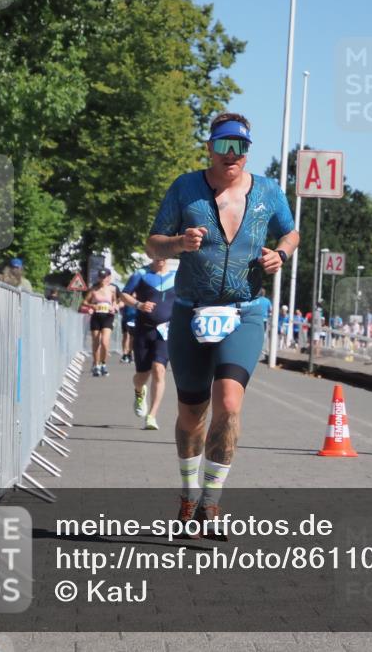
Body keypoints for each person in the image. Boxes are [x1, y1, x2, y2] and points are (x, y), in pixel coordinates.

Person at [146, 112, 299, 537]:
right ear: (210, 146)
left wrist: (280, 255)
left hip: (245, 310)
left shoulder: (268, 191)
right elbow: (153, 240)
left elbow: (291, 233)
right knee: (191, 412)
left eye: (240, 147)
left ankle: (211, 504)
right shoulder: (185, 188)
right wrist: (177, 243)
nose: (232, 155)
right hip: (190, 311)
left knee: (229, 404)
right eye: (224, 145)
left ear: (248, 151)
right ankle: (187, 495)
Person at [120, 258, 177, 430]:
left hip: (166, 331)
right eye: (157, 255)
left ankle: (152, 416)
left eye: (164, 255)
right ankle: (139, 391)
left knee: (159, 370)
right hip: (144, 330)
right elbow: (124, 294)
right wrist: (139, 304)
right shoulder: (141, 274)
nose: (160, 259)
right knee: (142, 376)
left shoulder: (177, 276)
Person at [83, 268, 118, 377]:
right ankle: (96, 364)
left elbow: (115, 302)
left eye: (105, 277)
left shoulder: (112, 289)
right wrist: (93, 305)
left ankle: (103, 363)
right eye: (101, 277)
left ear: (108, 277)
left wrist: (114, 307)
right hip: (96, 316)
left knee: (104, 342)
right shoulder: (94, 289)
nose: (103, 279)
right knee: (96, 341)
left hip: (108, 316)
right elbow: (84, 302)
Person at [120, 295, 137, 364]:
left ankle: (129, 353)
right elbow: (120, 304)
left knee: (132, 338)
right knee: (126, 335)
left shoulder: (139, 295)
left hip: (134, 320)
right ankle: (124, 354)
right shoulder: (126, 295)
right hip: (125, 319)